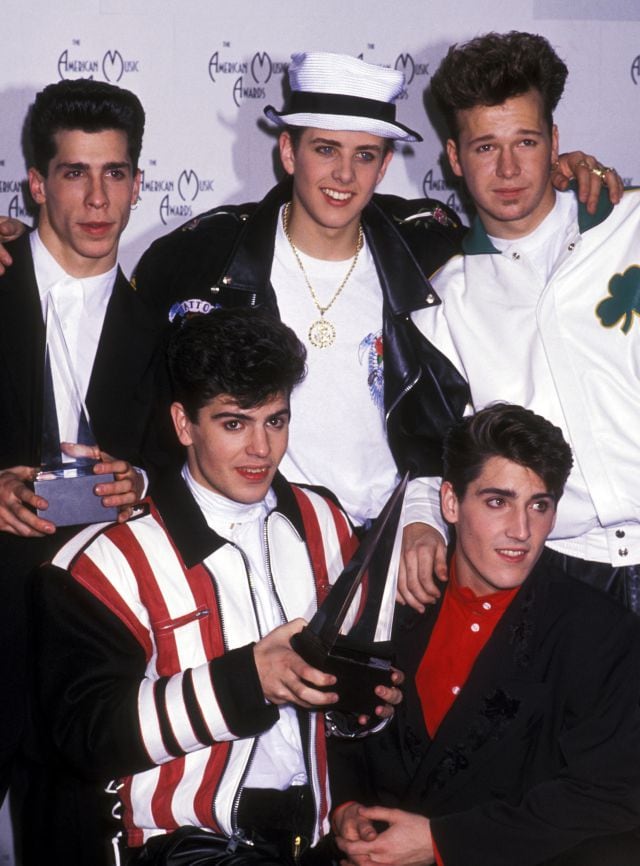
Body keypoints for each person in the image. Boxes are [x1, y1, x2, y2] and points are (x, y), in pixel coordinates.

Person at [129, 50, 618, 604]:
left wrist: (566, 168)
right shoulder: (203, 259)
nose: (344, 175)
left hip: (392, 547)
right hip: (257, 540)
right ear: (288, 151)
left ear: (385, 166)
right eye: (325, 150)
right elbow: (146, 392)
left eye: (365, 154)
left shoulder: (426, 249)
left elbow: (522, 226)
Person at [30, 309, 401, 866]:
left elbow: (342, 698)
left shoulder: (328, 522)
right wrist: (250, 679)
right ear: (183, 424)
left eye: (275, 421)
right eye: (234, 423)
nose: (261, 449)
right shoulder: (103, 562)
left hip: (316, 837)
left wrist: (359, 706)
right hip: (174, 845)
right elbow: (86, 738)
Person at [332, 403, 640, 866]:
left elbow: (611, 794)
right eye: (498, 501)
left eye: (539, 505)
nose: (521, 530)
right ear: (451, 502)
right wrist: (345, 808)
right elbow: (335, 729)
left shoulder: (600, 632)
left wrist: (442, 843)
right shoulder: (387, 602)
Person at [408, 31, 640, 614]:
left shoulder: (629, 225)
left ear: (556, 142)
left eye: (527, 141)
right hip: (563, 576)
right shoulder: (444, 304)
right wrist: (419, 522)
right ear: (455, 158)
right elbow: (435, 453)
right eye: (486, 147)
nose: (509, 168)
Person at [0, 78, 156, 807]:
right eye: (74, 173)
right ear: (35, 183)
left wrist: (145, 486)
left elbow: (195, 466)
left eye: (115, 173)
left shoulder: (163, 324)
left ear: (136, 183)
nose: (98, 200)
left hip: (95, 656)